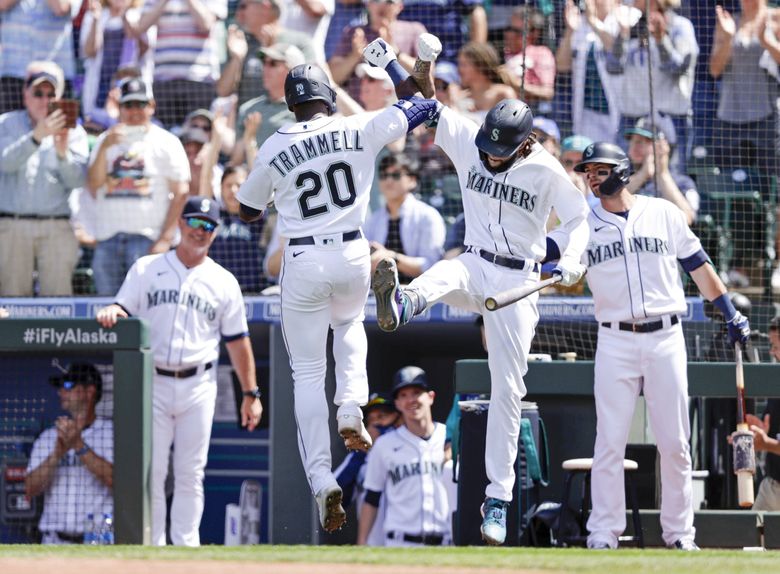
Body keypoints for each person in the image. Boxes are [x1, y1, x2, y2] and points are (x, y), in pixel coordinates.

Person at [363, 34, 590, 546]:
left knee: (508, 389)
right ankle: (401, 302)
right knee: (445, 274)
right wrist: (390, 66)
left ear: (525, 143)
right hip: (475, 261)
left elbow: (579, 218)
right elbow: (422, 108)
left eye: (499, 151)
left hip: (519, 282)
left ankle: (498, 498)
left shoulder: (544, 168)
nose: (488, 157)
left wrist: (572, 259)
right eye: (486, 146)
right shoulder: (472, 136)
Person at [236, 58, 442, 533]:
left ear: (290, 104)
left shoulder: (273, 145)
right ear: (328, 95)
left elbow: (246, 210)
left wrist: (277, 186)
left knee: (307, 372)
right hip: (354, 250)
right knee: (349, 326)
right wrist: (391, 61)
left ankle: (322, 478)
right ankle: (351, 407)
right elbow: (420, 104)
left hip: (303, 257)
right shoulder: (357, 126)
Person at [569, 141, 751, 550]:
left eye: (599, 170)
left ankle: (680, 535)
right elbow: (552, 256)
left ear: (621, 169)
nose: (593, 178)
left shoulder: (663, 213)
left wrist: (729, 310)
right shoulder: (581, 222)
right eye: (588, 172)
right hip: (614, 338)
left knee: (675, 443)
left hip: (666, 336)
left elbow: (699, 266)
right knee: (610, 442)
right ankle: (603, 533)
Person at [95, 196, 263, 546]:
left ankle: (186, 548)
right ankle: (153, 547)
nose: (200, 231)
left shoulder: (224, 281)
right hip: (152, 381)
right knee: (153, 472)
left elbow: (238, 341)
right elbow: (122, 307)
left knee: (191, 472)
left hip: (199, 383)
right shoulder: (146, 268)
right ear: (181, 224)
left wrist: (252, 394)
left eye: (209, 226)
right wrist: (113, 310)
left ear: (216, 233)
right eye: (196, 222)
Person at [87, 77, 190, 296]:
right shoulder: (106, 139)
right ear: (119, 107)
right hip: (108, 239)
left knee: (145, 310)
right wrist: (105, 146)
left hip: (147, 239)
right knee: (108, 308)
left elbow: (181, 192)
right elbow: (93, 185)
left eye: (140, 104)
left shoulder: (167, 141)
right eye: (128, 105)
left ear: (151, 106)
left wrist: (165, 238)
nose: (134, 111)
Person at [0, 62, 88, 296]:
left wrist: (62, 153)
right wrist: (36, 137)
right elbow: (4, 163)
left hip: (56, 227)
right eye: (38, 93)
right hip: (12, 226)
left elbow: (78, 180)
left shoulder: (74, 131)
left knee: (58, 304)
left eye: (51, 94)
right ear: (25, 95)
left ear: (59, 97)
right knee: (12, 303)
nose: (44, 100)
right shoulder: (5, 124)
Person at [357, 366, 451, 546]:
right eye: (403, 395)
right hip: (400, 542)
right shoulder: (385, 445)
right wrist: (362, 542)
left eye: (416, 392)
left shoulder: (450, 437)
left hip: (444, 542)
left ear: (431, 397)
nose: (410, 400)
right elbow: (371, 498)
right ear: (398, 403)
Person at [25, 363, 113, 545]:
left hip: (98, 538)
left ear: (89, 391)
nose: (60, 392)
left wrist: (79, 446)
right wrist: (56, 455)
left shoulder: (111, 433)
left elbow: (119, 482)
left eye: (67, 386)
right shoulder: (49, 437)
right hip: (53, 540)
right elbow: (29, 489)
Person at [129, 0, 228, 127]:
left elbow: (207, 23)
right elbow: (141, 27)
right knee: (165, 133)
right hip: (164, 81)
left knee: (196, 135)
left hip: (199, 80)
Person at [364, 152, 446, 281]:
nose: (388, 181)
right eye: (384, 175)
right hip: (378, 295)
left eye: (396, 175)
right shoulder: (372, 220)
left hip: (419, 295)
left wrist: (391, 258)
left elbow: (431, 266)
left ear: (412, 180)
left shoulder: (428, 216)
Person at [334, 391, 400, 545]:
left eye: (382, 416)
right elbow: (334, 498)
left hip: (407, 541)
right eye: (370, 420)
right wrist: (362, 454)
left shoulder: (412, 449)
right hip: (374, 544)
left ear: (397, 417)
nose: (375, 424)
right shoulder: (359, 458)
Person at [623, 116, 698, 225]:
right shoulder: (621, 177)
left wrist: (662, 174)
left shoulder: (682, 182)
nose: (636, 146)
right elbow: (607, 202)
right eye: (633, 141)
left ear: (664, 148)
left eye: (646, 141)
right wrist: (642, 175)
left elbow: (687, 218)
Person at [744, 316, 780, 511]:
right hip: (771, 486)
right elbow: (767, 428)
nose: (772, 352)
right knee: (750, 538)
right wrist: (760, 430)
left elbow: (770, 442)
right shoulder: (776, 380)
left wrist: (767, 444)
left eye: (775, 346)